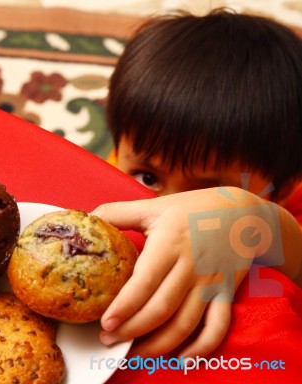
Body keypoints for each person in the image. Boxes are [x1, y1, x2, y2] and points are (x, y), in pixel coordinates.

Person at [91, 8, 302, 360]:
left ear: (279, 190)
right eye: (149, 178)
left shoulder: (278, 200)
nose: (171, 208)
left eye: (205, 192)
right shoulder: (118, 168)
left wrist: (253, 214)